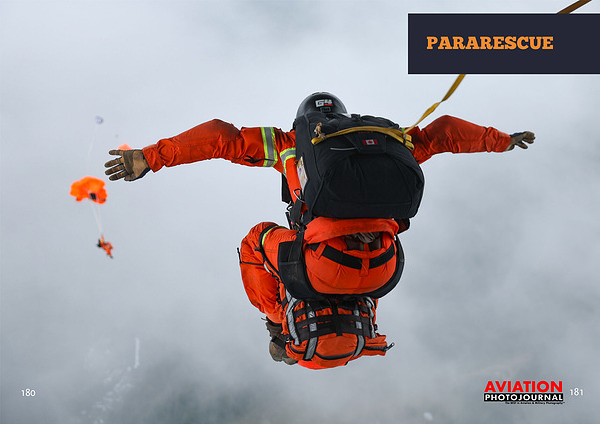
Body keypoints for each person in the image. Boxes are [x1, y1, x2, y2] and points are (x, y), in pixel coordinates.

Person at [105, 92, 535, 369]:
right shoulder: (388, 142)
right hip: (383, 263)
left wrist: (151, 156)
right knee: (317, 243)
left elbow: (221, 138)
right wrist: (502, 139)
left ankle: (280, 325)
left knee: (258, 240)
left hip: (358, 273)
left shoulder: (289, 143)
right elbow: (445, 134)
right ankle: (339, 316)